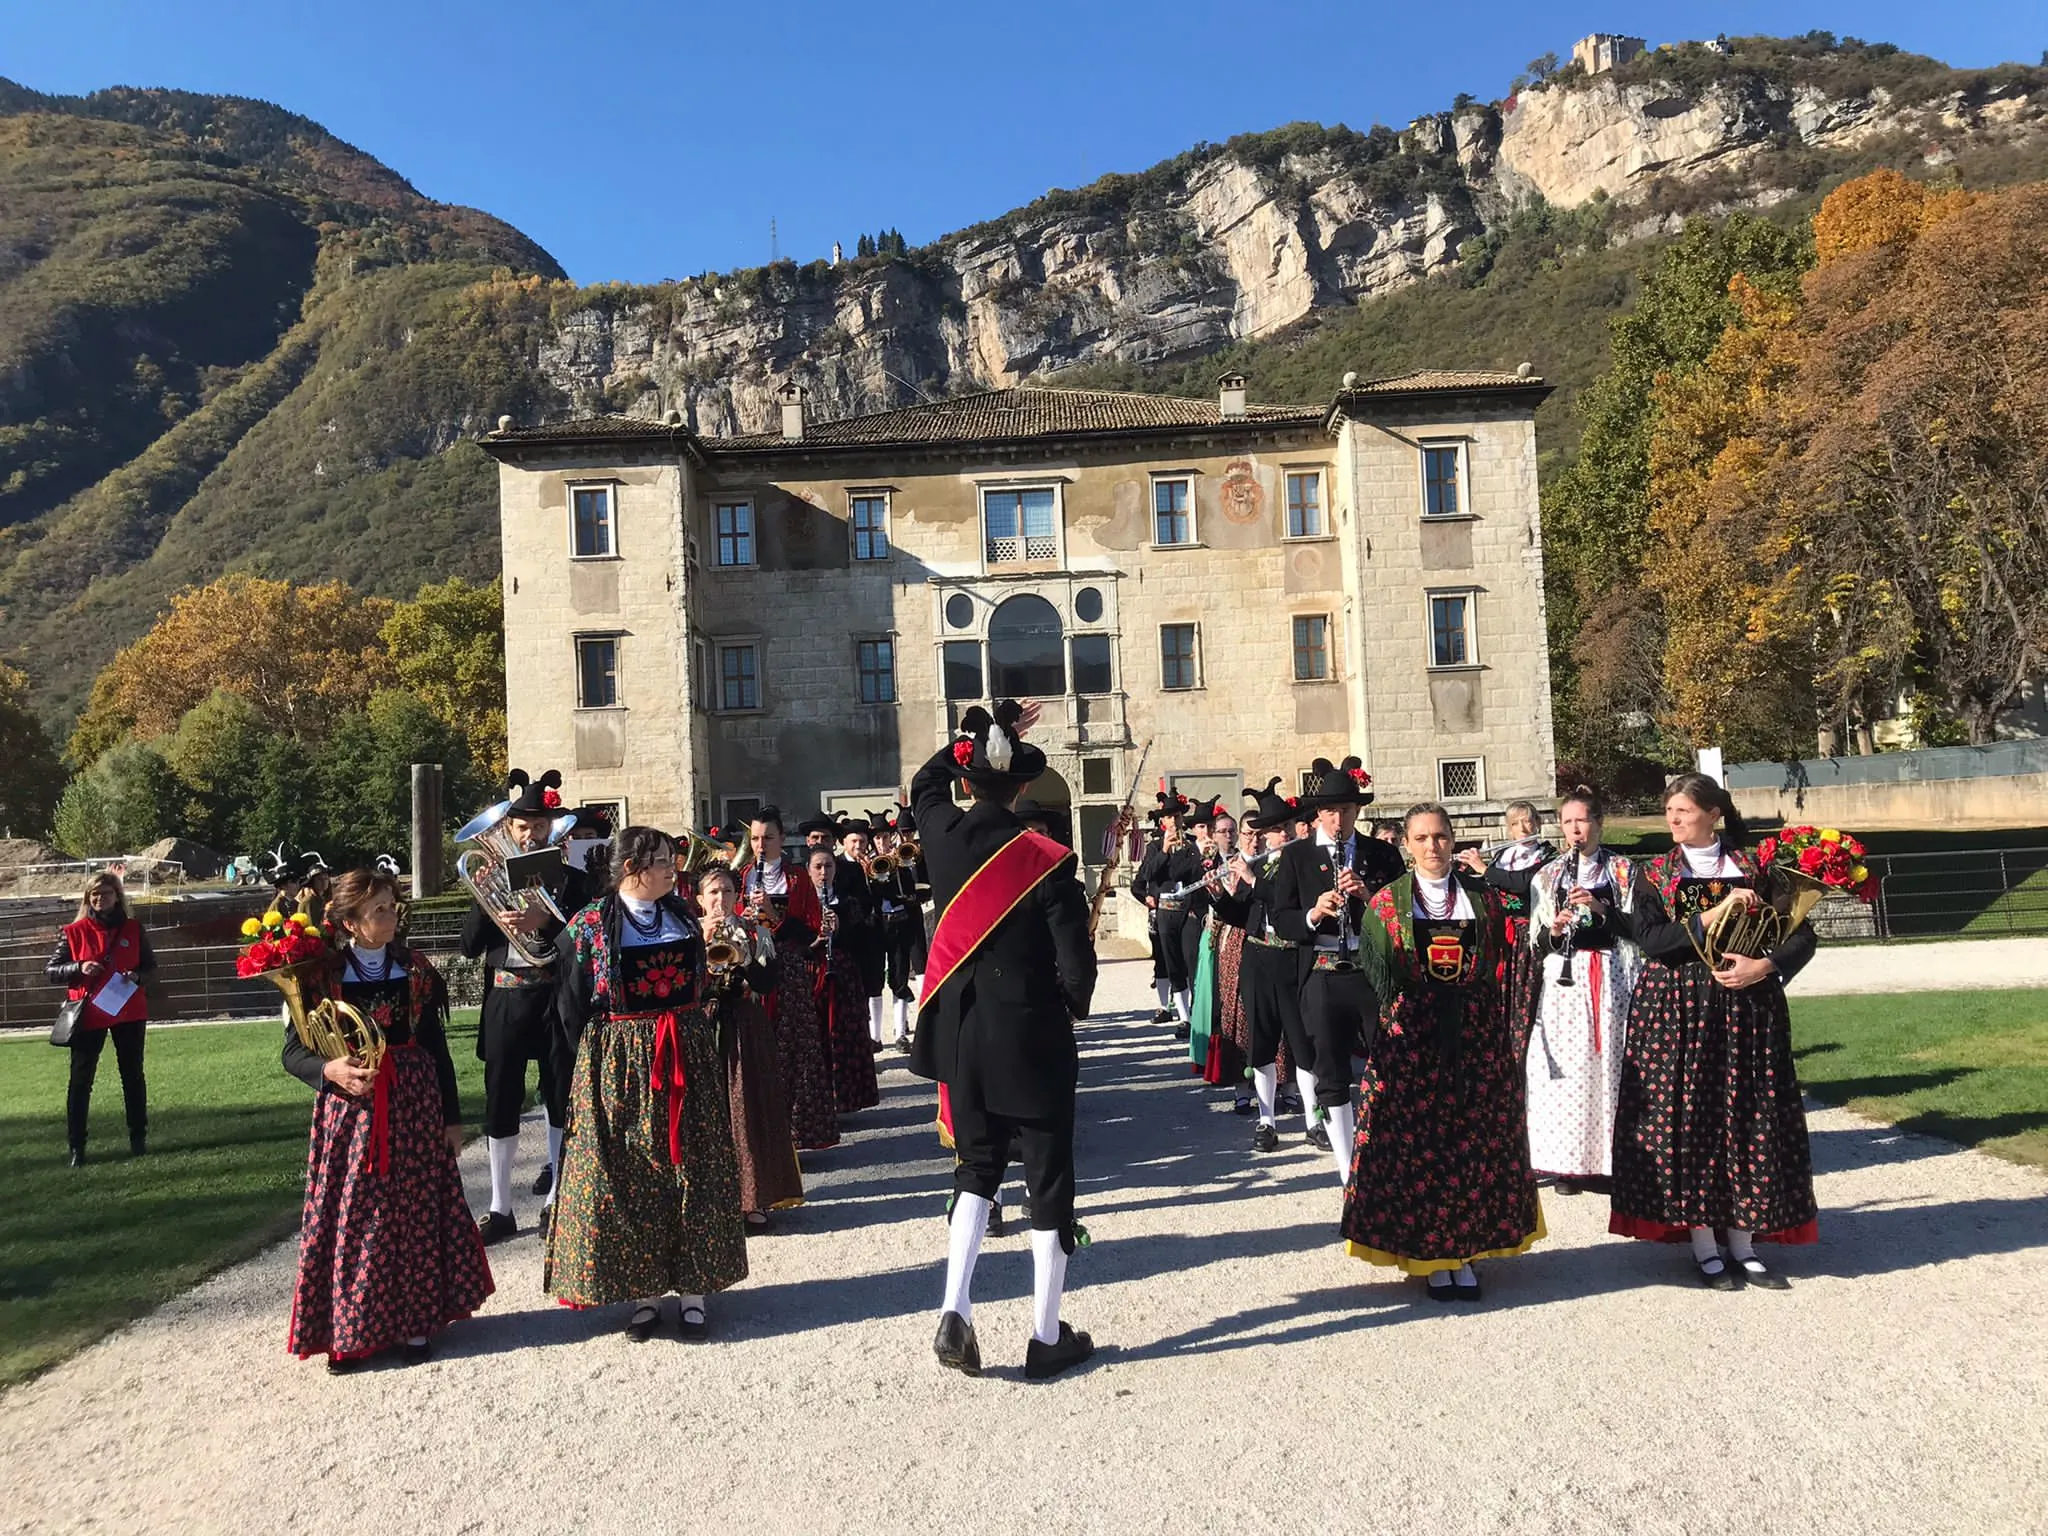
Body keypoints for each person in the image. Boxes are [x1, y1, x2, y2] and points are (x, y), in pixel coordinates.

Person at [911, 700, 1098, 1380]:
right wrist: (1074, 1004)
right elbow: (1075, 966)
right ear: (1023, 787)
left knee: (975, 1170)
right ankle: (1046, 1336)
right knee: (1048, 1180)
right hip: (1033, 1034)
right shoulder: (1048, 861)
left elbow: (922, 787)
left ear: (967, 783)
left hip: (965, 1036)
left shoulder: (942, 833)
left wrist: (969, 739)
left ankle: (954, 1305)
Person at [1608, 773, 1818, 1290]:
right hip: (1676, 1011)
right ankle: (1705, 1246)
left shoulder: (1757, 868)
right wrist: (1714, 913)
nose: (1674, 820)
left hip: (1748, 1010)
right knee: (1689, 1121)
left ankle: (1744, 1243)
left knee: (1748, 1117)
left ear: (1713, 815)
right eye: (1670, 811)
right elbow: (1653, 940)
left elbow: (1803, 936)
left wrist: (1764, 966)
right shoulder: (1654, 872)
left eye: (1683, 811)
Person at [284, 868, 491, 1368]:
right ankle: (352, 1329)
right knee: (355, 1217)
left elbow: (437, 1051)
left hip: (415, 1107)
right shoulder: (320, 976)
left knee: (416, 1215)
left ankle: (417, 1324)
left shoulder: (416, 968)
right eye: (378, 909)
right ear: (351, 922)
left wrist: (453, 1118)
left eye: (392, 906)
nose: (390, 916)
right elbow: (293, 1053)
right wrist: (331, 1069)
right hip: (351, 1116)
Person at [548, 828, 747, 1340]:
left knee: (695, 1166)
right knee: (633, 1173)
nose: (671, 869)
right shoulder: (588, 926)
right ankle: (645, 1295)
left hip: (685, 1053)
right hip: (620, 1065)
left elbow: (705, 982)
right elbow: (570, 1009)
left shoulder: (682, 915)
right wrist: (591, 1071)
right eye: (661, 861)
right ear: (631, 866)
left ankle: (696, 1292)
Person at [1340, 804, 1543, 1301]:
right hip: (1413, 1038)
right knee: (1419, 1144)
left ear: (1454, 841)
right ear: (1407, 846)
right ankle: (1431, 1255)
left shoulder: (1481, 897)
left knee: (1473, 1140)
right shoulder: (1387, 905)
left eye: (1441, 837)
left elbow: (1496, 953)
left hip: (1474, 1032)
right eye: (1423, 838)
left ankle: (1468, 1249)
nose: (1433, 847)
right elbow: (1378, 977)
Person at [461, 768, 590, 1244]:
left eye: (538, 826)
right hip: (507, 998)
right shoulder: (492, 876)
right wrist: (482, 897)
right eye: (521, 827)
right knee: (502, 1098)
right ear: (509, 831)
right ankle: (499, 1206)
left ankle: (556, 1195)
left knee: (559, 1095)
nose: (529, 834)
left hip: (556, 999)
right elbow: (469, 946)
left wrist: (547, 920)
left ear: (551, 829)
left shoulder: (575, 883)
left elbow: (587, 943)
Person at [1269, 757, 1402, 1187]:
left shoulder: (1381, 854)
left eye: (1345, 809)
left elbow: (1402, 911)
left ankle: (1388, 1151)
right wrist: (1313, 913)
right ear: (1318, 814)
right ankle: (1347, 1167)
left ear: (1356, 811)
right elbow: (1280, 918)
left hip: (1371, 971)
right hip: (1322, 972)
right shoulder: (1296, 857)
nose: (1337, 817)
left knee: (1390, 1063)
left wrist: (1368, 897)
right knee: (1330, 1070)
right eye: (1329, 810)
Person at [1525, 786, 1642, 1195]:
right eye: (1568, 822)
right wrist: (1553, 930)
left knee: (1609, 1064)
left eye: (1583, 821)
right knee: (1567, 1072)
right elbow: (1536, 939)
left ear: (1599, 823)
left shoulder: (1625, 871)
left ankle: (1610, 1160)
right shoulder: (1549, 874)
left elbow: (1637, 929)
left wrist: (1598, 909)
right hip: (1565, 982)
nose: (1576, 830)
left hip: (1610, 975)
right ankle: (1567, 1164)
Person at [700, 863, 804, 1228]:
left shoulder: (756, 932)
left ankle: (753, 1199)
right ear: (700, 899)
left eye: (727, 891)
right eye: (713, 892)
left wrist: (743, 956)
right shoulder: (687, 934)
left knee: (747, 1109)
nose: (720, 899)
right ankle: (713, 1202)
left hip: (745, 1026)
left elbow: (766, 984)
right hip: (704, 1028)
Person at [1216, 780, 1313, 1149]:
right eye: (1274, 830)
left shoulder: (1304, 863)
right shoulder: (1262, 864)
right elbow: (1245, 913)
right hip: (1259, 957)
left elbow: (1286, 903)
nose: (1280, 835)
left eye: (1284, 827)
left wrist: (1252, 880)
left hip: (1292, 955)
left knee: (1301, 1042)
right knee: (1261, 1042)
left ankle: (1312, 1117)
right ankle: (1266, 1120)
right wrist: (1221, 896)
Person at [742, 807, 840, 1151]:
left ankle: (796, 1134)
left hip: (788, 972)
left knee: (793, 1052)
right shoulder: (743, 876)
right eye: (754, 838)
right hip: (754, 971)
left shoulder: (797, 878)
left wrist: (772, 915)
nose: (760, 844)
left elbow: (810, 929)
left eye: (767, 837)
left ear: (782, 839)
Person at [48, 872, 156, 1166]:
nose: (99, 899)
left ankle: (138, 1139)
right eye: (94, 895)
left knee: (132, 1076)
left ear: (117, 896)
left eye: (105, 894)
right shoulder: (73, 931)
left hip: (128, 1010)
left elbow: (150, 967)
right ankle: (77, 1147)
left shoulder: (133, 929)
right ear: (87, 898)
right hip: (88, 1013)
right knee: (81, 1082)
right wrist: (79, 966)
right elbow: (52, 970)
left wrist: (137, 976)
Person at [1458, 799, 1555, 1061]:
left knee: (1525, 997)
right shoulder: (1504, 855)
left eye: (1527, 821)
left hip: (1528, 937)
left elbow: (1524, 884)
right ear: (1509, 830)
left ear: (1538, 823)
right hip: (1500, 936)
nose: (1523, 828)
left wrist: (1484, 869)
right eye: (1515, 824)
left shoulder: (1548, 856)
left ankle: (1524, 1054)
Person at [808, 844, 880, 1115]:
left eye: (828, 866)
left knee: (845, 1034)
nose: (823, 872)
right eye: (818, 867)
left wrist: (841, 929)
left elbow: (862, 941)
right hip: (813, 975)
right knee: (817, 1035)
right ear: (809, 871)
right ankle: (820, 1102)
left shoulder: (848, 902)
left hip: (845, 976)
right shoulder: (801, 903)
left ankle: (847, 1099)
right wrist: (815, 938)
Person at [1130, 794, 1201, 1036]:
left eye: (1178, 816)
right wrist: (1164, 851)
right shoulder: (1154, 847)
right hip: (1166, 912)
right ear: (1163, 821)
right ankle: (1184, 1017)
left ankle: (1195, 1013)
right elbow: (1146, 875)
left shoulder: (1192, 845)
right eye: (1170, 817)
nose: (1174, 821)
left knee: (1192, 960)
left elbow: (1196, 873)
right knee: (1171, 964)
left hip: (1188, 910)